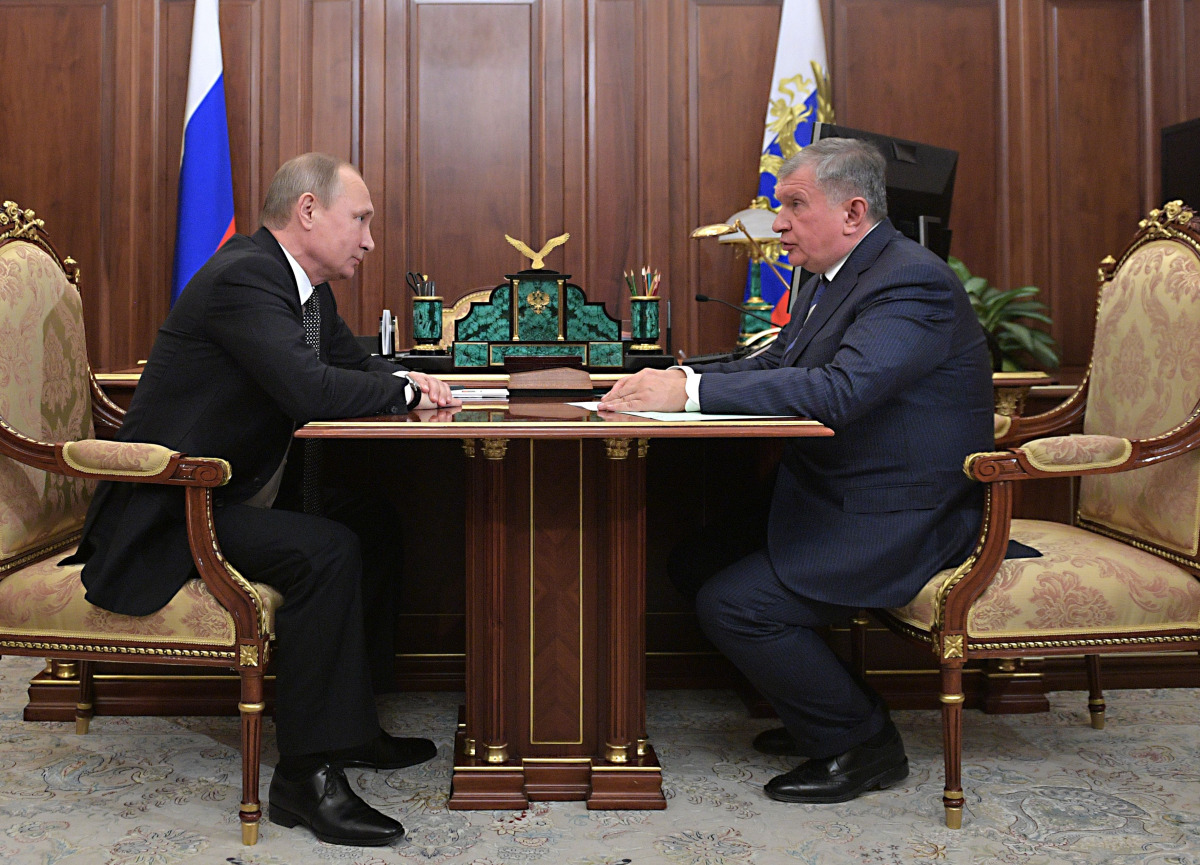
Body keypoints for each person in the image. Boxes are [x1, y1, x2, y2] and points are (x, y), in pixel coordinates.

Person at [70, 153, 459, 846]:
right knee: (327, 549)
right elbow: (309, 389)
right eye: (360, 219)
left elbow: (350, 366)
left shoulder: (307, 293)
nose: (370, 241)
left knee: (369, 521)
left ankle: (353, 726)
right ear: (308, 211)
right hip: (171, 510)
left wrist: (412, 380)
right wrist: (402, 391)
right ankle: (304, 777)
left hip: (231, 492)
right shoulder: (245, 278)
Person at [599, 138, 993, 805]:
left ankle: (861, 741)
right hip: (833, 490)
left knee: (736, 603)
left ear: (853, 211)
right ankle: (817, 708)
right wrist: (678, 378)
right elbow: (779, 362)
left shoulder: (909, 280)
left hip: (899, 512)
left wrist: (689, 399)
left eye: (792, 205)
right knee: (695, 560)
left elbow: (839, 390)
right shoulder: (829, 275)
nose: (776, 223)